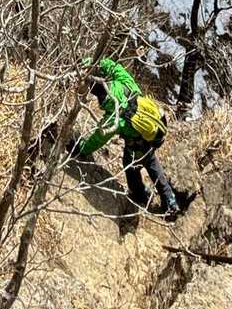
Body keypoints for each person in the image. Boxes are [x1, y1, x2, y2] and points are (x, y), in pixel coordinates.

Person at [70, 56, 181, 220]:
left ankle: (141, 195)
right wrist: (91, 62)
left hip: (138, 144)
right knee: (151, 163)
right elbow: (114, 67)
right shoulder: (127, 84)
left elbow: (98, 139)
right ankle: (170, 202)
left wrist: (81, 149)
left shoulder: (114, 117)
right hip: (155, 128)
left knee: (131, 165)